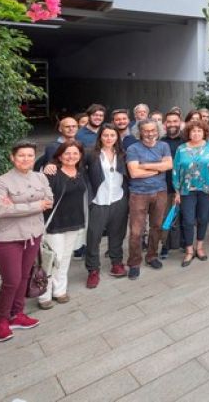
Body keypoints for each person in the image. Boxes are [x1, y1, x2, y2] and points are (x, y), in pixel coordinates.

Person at [0, 141, 53, 342]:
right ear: (12, 157)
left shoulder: (40, 177)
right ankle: (1, 321)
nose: (26, 159)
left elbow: (49, 200)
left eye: (30, 156)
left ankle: (17, 314)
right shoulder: (1, 182)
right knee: (12, 281)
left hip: (33, 235)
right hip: (8, 239)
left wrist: (17, 205)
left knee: (24, 277)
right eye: (21, 155)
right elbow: (0, 210)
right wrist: (35, 204)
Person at [38, 140, 88, 309]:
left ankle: (59, 290)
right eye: (67, 153)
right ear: (59, 155)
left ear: (80, 155)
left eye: (75, 153)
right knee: (52, 259)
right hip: (55, 223)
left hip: (74, 222)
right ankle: (44, 294)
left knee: (66, 258)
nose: (71, 156)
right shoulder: (52, 173)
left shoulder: (80, 172)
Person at [125, 119, 173, 279]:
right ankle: (134, 262)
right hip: (139, 193)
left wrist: (144, 165)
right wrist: (157, 168)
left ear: (158, 130)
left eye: (153, 130)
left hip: (160, 192)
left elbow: (168, 165)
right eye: (146, 130)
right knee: (136, 231)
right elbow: (134, 173)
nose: (150, 133)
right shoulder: (133, 148)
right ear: (140, 132)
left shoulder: (163, 146)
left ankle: (152, 256)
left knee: (157, 226)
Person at [84, 124, 129, 288]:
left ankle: (116, 263)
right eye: (106, 135)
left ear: (117, 137)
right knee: (93, 236)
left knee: (117, 234)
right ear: (100, 137)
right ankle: (93, 270)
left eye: (112, 135)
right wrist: (51, 163)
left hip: (119, 199)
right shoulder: (91, 153)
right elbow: (78, 169)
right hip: (98, 201)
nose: (109, 138)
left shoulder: (122, 154)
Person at [173, 119, 209, 267]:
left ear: (204, 132)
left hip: (205, 189)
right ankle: (189, 250)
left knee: (204, 218)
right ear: (188, 133)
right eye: (193, 131)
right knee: (187, 220)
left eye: (199, 130)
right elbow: (175, 171)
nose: (196, 133)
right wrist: (177, 191)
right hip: (186, 190)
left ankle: (199, 247)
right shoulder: (181, 149)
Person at [160, 112, 185, 257]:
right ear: (165, 124)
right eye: (169, 122)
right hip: (165, 186)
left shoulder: (186, 141)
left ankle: (184, 242)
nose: (172, 124)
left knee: (185, 216)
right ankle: (165, 245)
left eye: (175, 121)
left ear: (180, 122)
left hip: (185, 186)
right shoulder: (160, 142)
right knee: (166, 217)